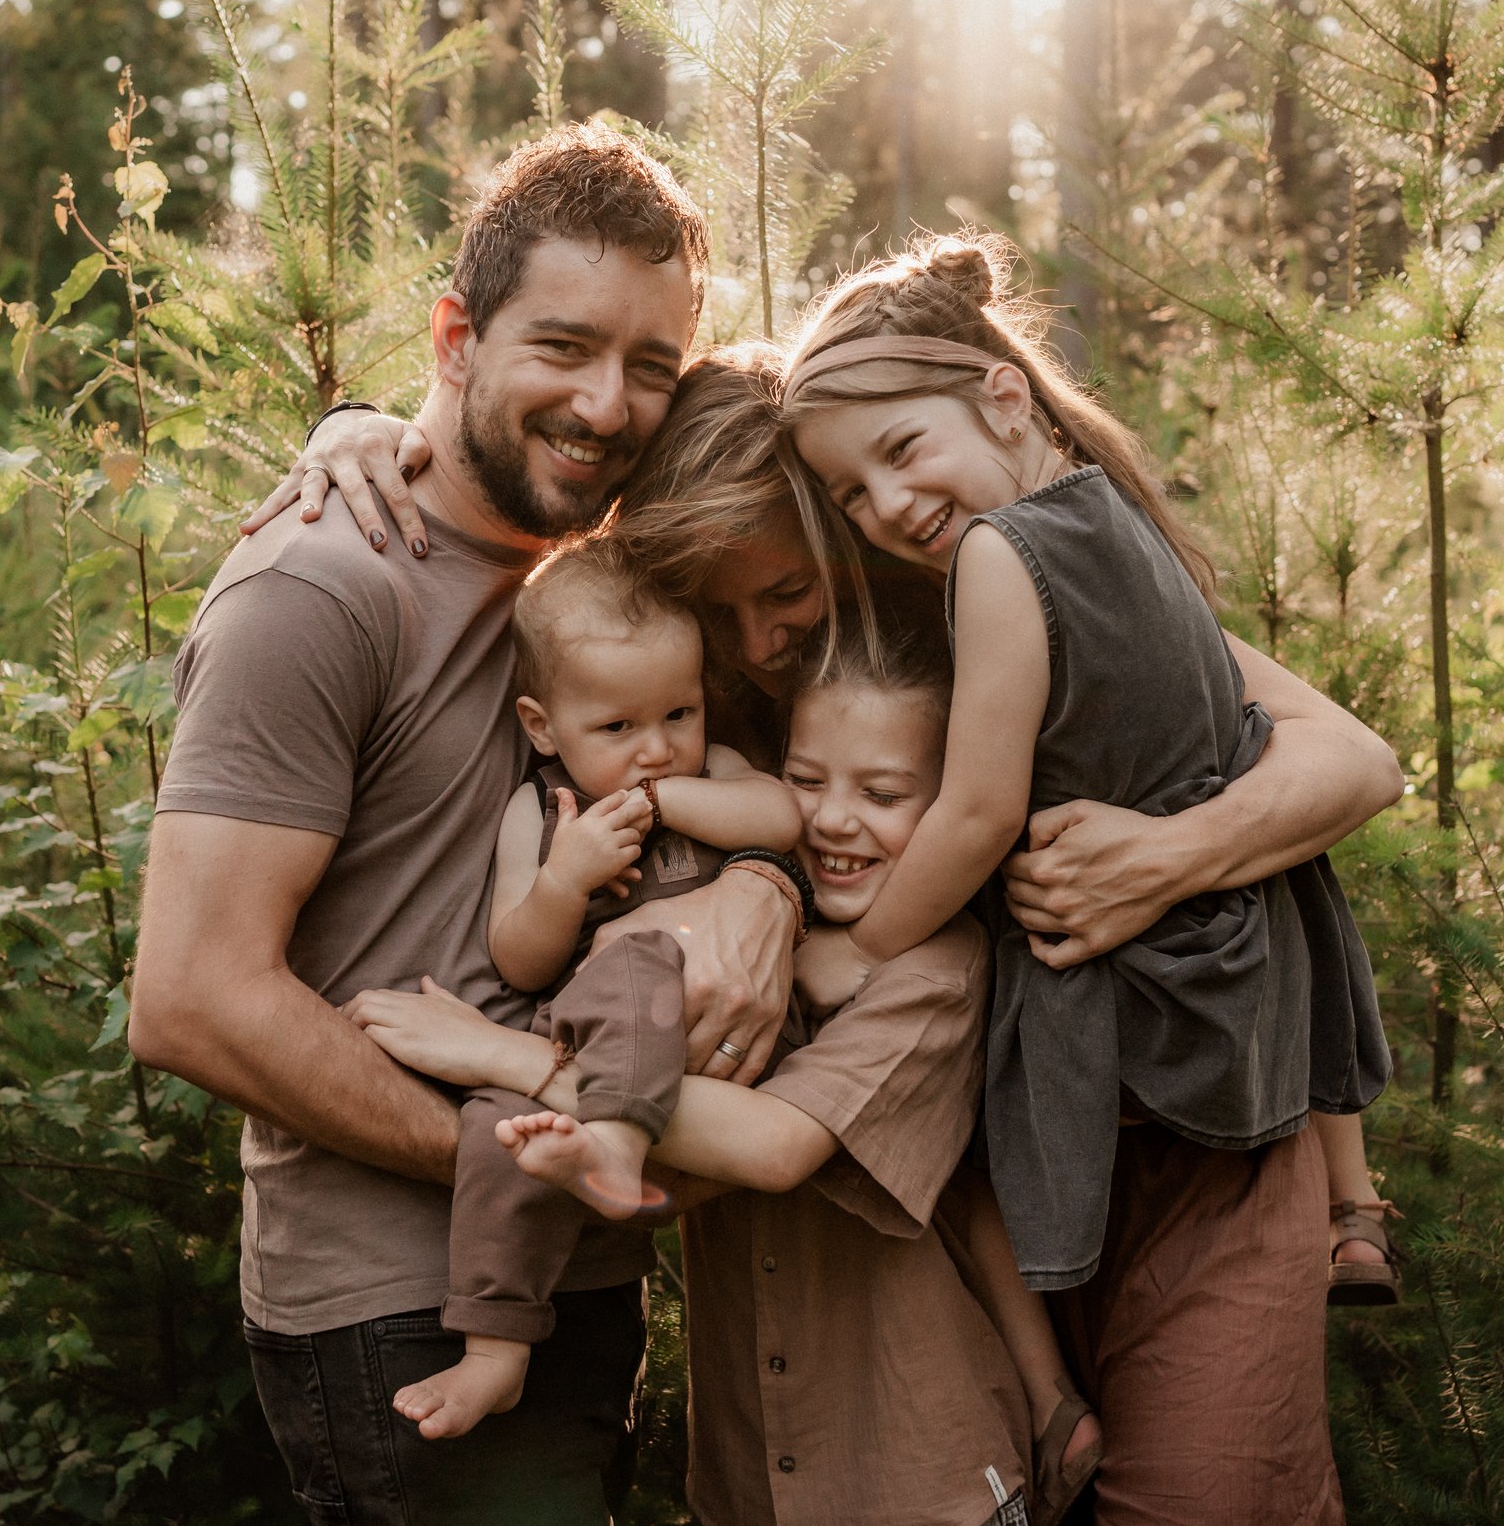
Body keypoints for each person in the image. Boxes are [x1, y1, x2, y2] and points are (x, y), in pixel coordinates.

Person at [263, 351, 1410, 1303]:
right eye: (719, 607)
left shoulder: (966, 615)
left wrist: (1158, 858)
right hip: (937, 1198)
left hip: (1168, 1117)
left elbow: (1353, 758)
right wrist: (360, 426)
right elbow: (553, 479)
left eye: (787, 593)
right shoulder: (676, 690)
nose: (756, 640)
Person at [128, 126, 811, 1526]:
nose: (608, 404)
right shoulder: (320, 588)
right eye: (562, 345)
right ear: (457, 335)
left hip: (565, 1288)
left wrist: (765, 891)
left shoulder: (598, 592)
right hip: (403, 1305)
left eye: (649, 366)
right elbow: (192, 1000)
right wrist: (527, 1153)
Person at [775, 231, 1397, 1523]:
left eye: (903, 451)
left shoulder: (1026, 559)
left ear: (1005, 395)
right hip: (1056, 1140)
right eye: (851, 492)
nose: (885, 508)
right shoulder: (1027, 563)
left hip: (1202, 1138)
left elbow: (1358, 762)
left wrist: (1150, 862)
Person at [344, 626, 1104, 1526]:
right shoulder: (745, 933)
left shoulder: (935, 968)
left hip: (915, 1473)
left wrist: (502, 1055)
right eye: (808, 782)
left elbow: (777, 1145)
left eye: (885, 793)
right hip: (747, 1480)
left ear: (947, 807)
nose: (831, 818)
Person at [402, 534, 803, 1440]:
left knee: (646, 952)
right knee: (496, 1131)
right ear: (543, 727)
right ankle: (495, 1353)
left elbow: (781, 817)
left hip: (725, 1041)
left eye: (679, 714)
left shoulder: (709, 775)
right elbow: (519, 960)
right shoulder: (542, 812)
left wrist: (668, 803)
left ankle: (612, 1152)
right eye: (618, 729)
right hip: (592, 1039)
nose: (656, 749)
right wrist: (563, 880)